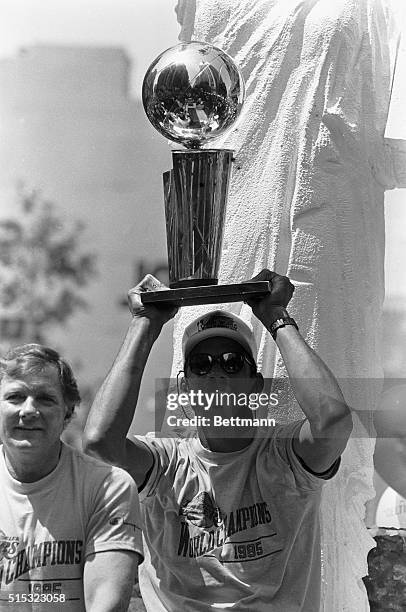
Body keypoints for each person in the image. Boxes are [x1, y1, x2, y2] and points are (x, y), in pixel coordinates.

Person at [84, 269, 353, 611]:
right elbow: (98, 444)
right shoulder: (167, 463)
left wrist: (276, 317)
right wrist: (144, 323)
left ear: (255, 385)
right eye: (200, 364)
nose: (215, 372)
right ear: (184, 388)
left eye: (231, 362)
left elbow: (333, 421)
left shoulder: (283, 454)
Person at [0, 344, 143, 611]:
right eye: (15, 397)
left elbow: (106, 605)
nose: (29, 410)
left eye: (45, 398)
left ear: (68, 412)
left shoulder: (108, 486)